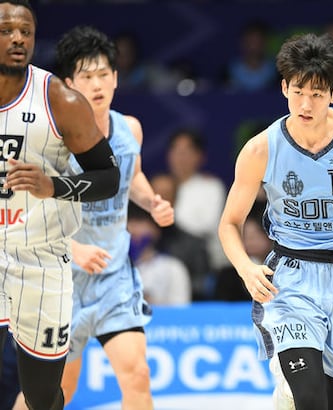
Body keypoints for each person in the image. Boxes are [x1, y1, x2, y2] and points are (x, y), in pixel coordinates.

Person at [218, 32, 333, 410]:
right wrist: (245, 267)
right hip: (293, 279)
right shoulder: (261, 148)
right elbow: (229, 223)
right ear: (284, 88)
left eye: (317, 94)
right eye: (298, 91)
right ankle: (291, 392)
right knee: (310, 397)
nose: (305, 104)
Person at [0, 1, 120, 409]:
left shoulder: (59, 100)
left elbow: (108, 178)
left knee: (42, 396)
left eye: (26, 31)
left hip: (41, 258)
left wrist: (52, 185)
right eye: (6, 31)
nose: (18, 39)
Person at [52, 25, 173, 409]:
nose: (97, 84)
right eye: (87, 76)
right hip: (62, 279)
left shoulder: (129, 128)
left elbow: (132, 176)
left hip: (114, 276)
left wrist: (151, 201)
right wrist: (73, 250)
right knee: (57, 390)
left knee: (137, 374)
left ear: (116, 78)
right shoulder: (54, 139)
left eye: (104, 74)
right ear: (69, 84)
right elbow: (33, 210)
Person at [165, 127, 228, 299]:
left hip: (202, 260)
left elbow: (206, 226)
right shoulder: (161, 185)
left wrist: (167, 216)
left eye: (186, 152)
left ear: (200, 156)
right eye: (176, 151)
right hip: (165, 257)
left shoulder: (210, 186)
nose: (180, 158)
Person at [127, 201, 191, 305]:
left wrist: (148, 301)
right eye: (129, 221)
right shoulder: (115, 267)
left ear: (155, 229)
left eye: (139, 221)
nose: (133, 228)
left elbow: (180, 308)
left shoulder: (172, 267)